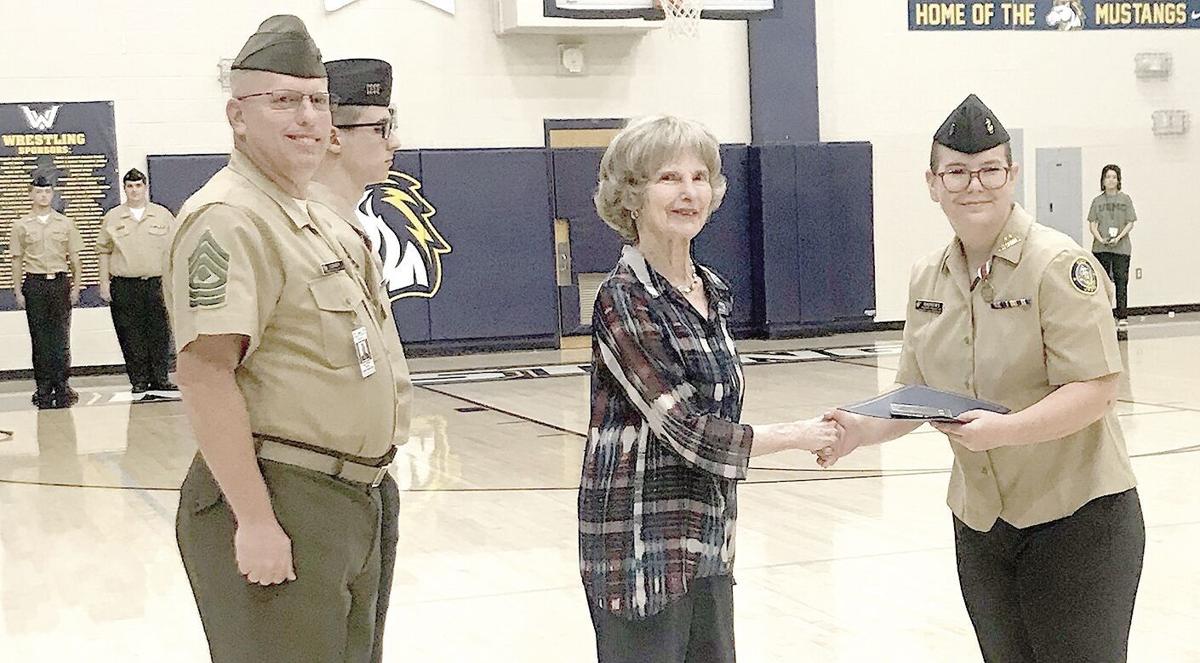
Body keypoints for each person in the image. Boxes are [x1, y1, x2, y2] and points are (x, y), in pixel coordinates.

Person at [822, 94, 1144, 662]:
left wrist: (1004, 431)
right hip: (982, 524)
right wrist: (855, 428)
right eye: (958, 172)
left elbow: (1095, 390)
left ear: (1013, 174)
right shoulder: (929, 276)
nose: (975, 185)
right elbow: (914, 398)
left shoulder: (1059, 265)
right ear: (933, 181)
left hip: (1078, 521)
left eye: (990, 169)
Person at [166, 16, 404, 663]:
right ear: (237, 115)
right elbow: (206, 374)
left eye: (316, 100)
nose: (306, 117)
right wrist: (255, 519)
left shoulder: (302, 215)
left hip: (349, 498)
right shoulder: (230, 218)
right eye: (282, 100)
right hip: (284, 494)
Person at [580, 115, 840, 663]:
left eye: (700, 177)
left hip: (709, 541)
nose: (689, 192)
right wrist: (801, 434)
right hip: (639, 546)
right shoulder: (624, 298)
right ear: (632, 196)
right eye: (668, 178)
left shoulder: (712, 290)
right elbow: (688, 433)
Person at [309, 57, 411, 663]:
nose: (395, 140)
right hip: (321, 480)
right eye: (381, 126)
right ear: (333, 138)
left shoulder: (351, 228)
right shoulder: (303, 230)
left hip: (373, 473)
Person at [97, 168, 178, 393]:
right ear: (124, 189)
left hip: (156, 283)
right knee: (130, 333)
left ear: (145, 187)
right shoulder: (113, 217)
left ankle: (161, 377)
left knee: (159, 332)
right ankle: (139, 379)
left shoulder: (162, 215)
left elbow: (175, 249)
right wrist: (104, 282)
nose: (134, 190)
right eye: (130, 186)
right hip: (125, 284)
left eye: (138, 186)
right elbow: (103, 251)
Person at [9, 175, 83, 409]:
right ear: (31, 194)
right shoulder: (21, 225)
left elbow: (75, 258)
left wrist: (77, 286)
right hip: (35, 284)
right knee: (40, 338)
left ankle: (62, 385)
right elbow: (16, 259)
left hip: (59, 283)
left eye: (48, 192)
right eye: (39, 192)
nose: (43, 196)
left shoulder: (65, 223)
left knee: (61, 337)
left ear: (53, 194)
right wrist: (18, 290)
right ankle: (42, 387)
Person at [1088, 163, 1136, 327]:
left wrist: (1119, 237)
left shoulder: (1125, 199)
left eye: (1114, 177)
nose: (1111, 180)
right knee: (1102, 283)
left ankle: (1122, 315)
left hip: (1121, 249)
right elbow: (1092, 223)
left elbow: (1130, 222)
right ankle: (1103, 314)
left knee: (1121, 281)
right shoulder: (1097, 201)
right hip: (1101, 249)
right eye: (1108, 177)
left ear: (1118, 180)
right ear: (1103, 180)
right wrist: (1100, 238)